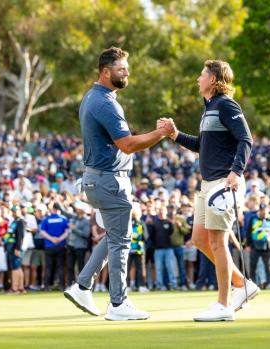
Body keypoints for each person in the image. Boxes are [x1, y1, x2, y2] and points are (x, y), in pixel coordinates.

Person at [65, 47, 172, 321]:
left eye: (127, 68)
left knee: (116, 236)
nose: (126, 73)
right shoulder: (105, 102)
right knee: (122, 242)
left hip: (97, 179)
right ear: (105, 71)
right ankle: (118, 303)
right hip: (109, 180)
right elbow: (127, 145)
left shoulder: (94, 97)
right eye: (121, 69)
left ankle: (82, 286)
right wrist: (161, 133)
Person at [164, 59, 258, 322]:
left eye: (202, 74)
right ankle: (243, 285)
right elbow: (201, 145)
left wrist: (236, 172)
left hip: (223, 183)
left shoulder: (226, 105)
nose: (198, 79)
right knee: (200, 239)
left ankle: (224, 304)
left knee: (217, 241)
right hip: (208, 183)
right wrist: (175, 134)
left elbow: (246, 139)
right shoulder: (209, 109)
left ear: (214, 80)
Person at [40, 203, 69, 291]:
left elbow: (42, 232)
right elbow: (67, 231)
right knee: (60, 266)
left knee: (48, 267)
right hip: (60, 245)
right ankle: (62, 286)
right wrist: (59, 239)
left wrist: (52, 239)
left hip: (49, 245)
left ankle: (46, 286)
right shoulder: (63, 218)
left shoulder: (46, 219)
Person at [4, 205, 25, 293]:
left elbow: (20, 236)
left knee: (15, 268)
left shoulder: (20, 221)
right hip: (11, 247)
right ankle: (21, 288)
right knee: (18, 267)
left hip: (14, 247)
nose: (15, 212)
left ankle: (14, 288)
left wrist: (17, 248)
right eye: (13, 211)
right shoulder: (14, 221)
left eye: (16, 211)